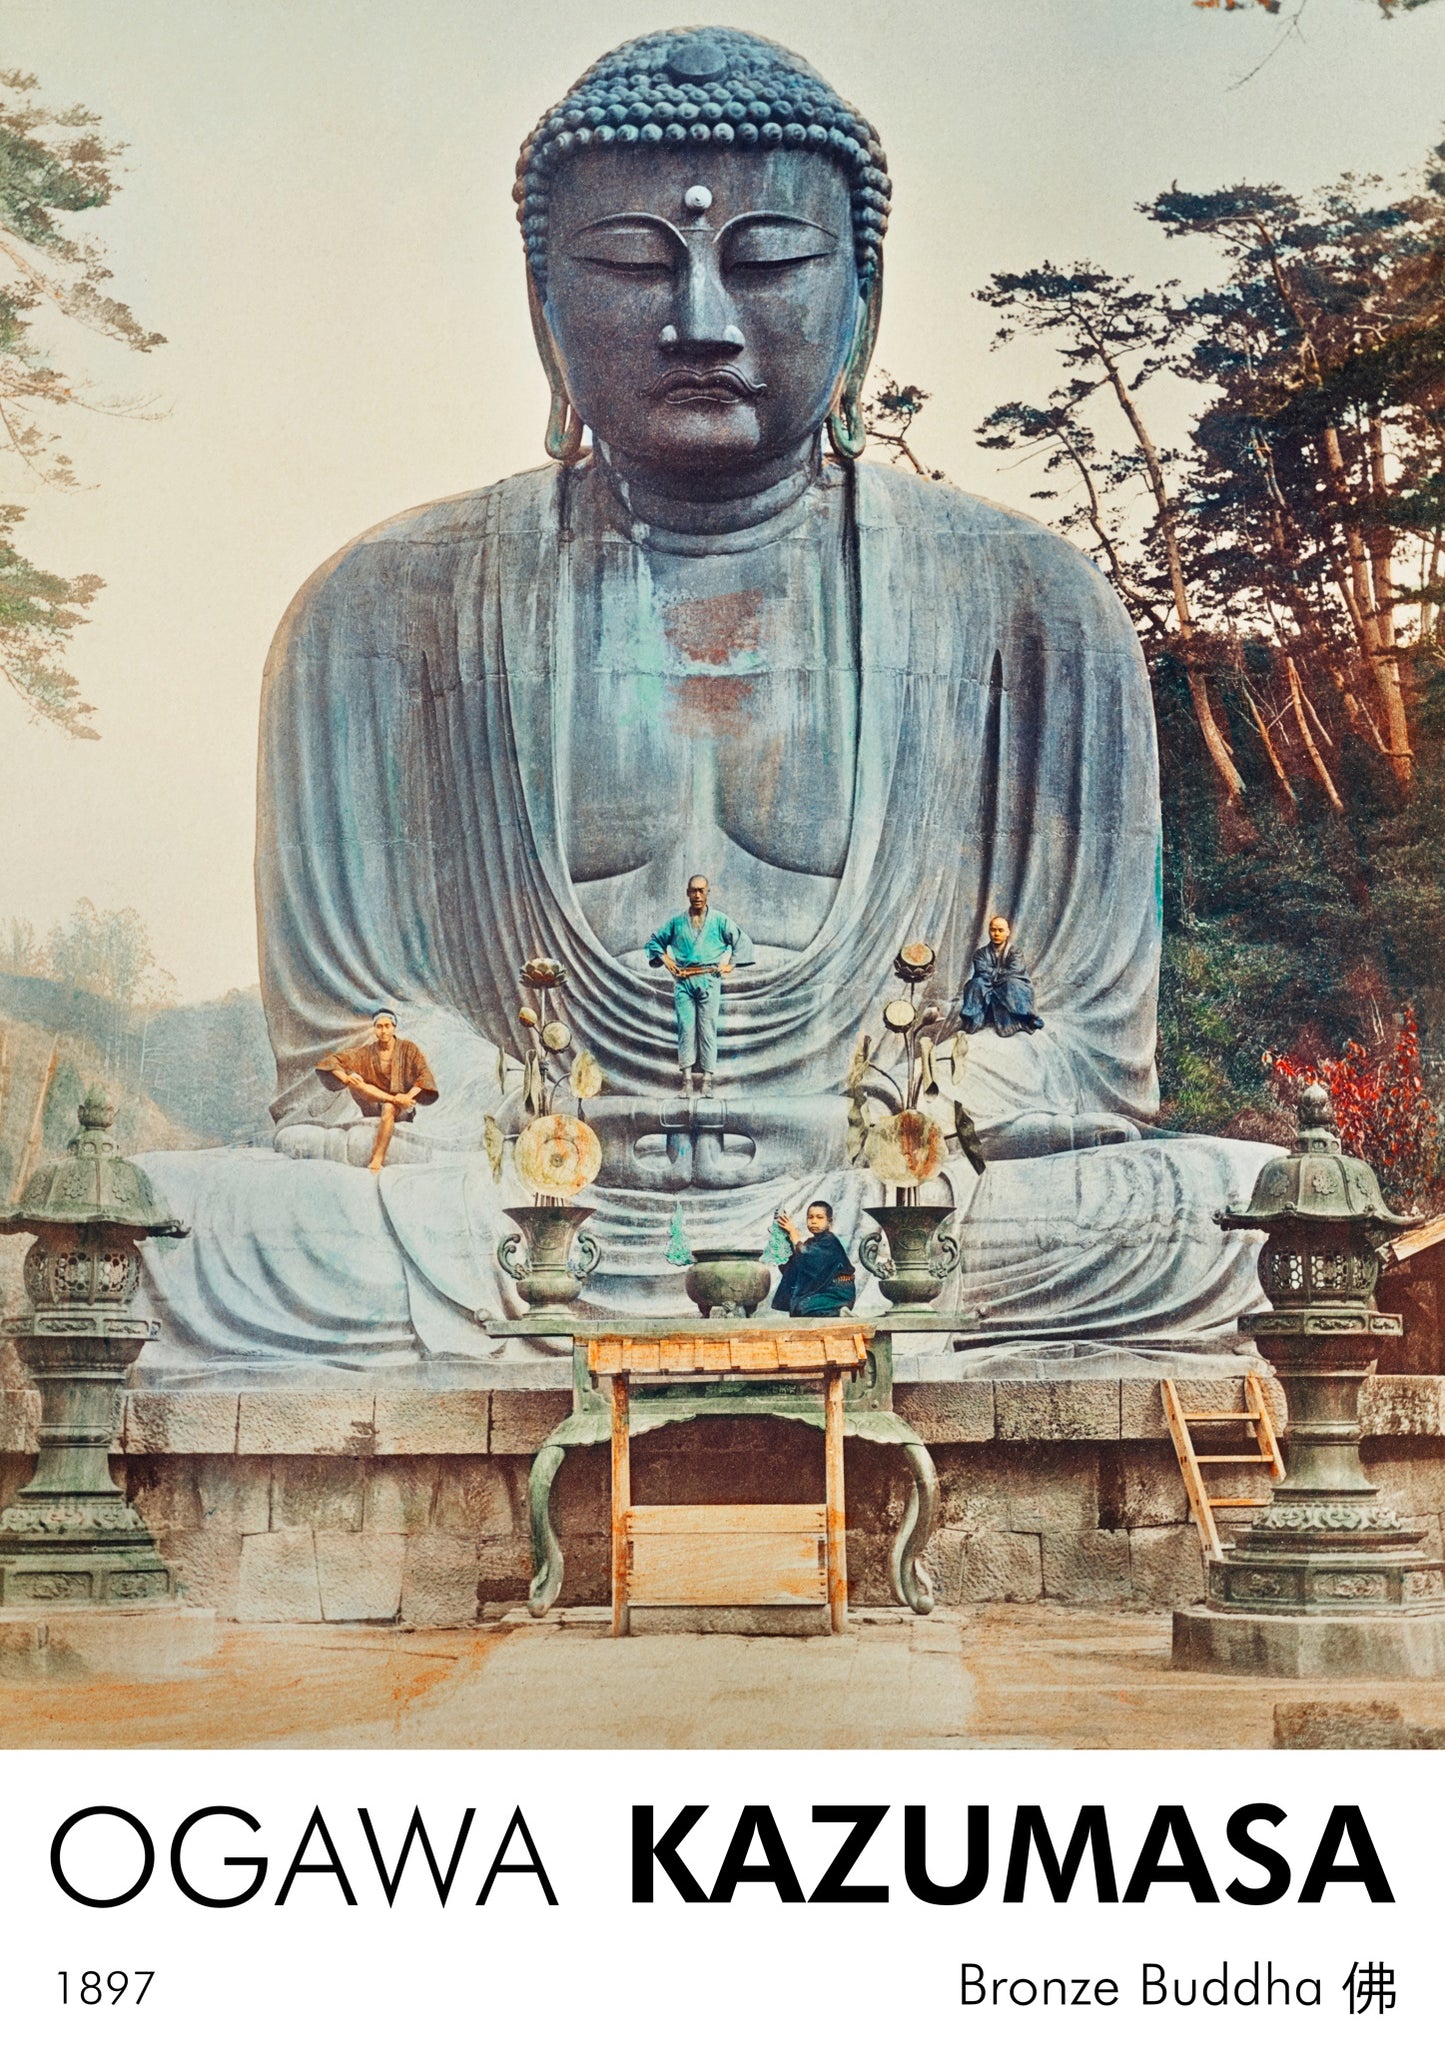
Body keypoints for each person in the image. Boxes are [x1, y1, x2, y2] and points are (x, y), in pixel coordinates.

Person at [133, 27, 1277, 1372]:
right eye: (627, 264)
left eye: (770, 260)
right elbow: (346, 1052)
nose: (700, 323)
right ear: (540, 300)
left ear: (864, 290)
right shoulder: (380, 610)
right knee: (172, 1230)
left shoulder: (1027, 602)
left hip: (891, 1201)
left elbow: (1088, 1052)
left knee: (1237, 1216)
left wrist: (876, 1127)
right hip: (506, 1215)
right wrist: (523, 1142)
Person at [646, 876, 754, 1098]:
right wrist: (668, 962)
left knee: (707, 1029)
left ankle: (707, 1081)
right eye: (693, 891)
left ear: (708, 893)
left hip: (709, 981)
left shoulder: (719, 921)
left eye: (701, 891)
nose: (697, 895)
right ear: (687, 893)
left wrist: (730, 965)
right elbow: (654, 942)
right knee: (686, 1028)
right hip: (683, 981)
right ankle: (686, 1081)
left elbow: (742, 942)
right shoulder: (676, 923)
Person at [316, 1009, 438, 1172]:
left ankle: (377, 1159)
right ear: (374, 1029)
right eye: (379, 1026)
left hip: (401, 1109)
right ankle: (392, 1099)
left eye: (387, 1026)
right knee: (355, 1083)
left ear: (394, 1027)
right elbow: (329, 1061)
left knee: (389, 1107)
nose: (383, 1030)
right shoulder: (366, 1052)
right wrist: (346, 1077)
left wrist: (407, 1097)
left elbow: (424, 1075)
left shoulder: (408, 1048)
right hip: (373, 1104)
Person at [958, 917, 1045, 1039]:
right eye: (993, 930)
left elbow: (1014, 970)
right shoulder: (980, 953)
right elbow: (981, 971)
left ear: (1007, 932)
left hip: (1008, 985)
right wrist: (999, 975)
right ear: (989, 931)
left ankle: (1022, 1020)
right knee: (976, 983)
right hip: (987, 985)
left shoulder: (1015, 952)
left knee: (1011, 983)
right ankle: (974, 1021)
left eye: (1000, 930)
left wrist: (994, 975)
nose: (996, 934)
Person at [772, 1201, 856, 1317]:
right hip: (820, 1290)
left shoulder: (830, 1241)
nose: (814, 1221)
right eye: (810, 1217)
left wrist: (793, 1233)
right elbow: (794, 1266)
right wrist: (784, 1237)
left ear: (829, 1222)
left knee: (802, 1307)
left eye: (820, 1217)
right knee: (796, 1305)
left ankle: (839, 1313)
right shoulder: (810, 1243)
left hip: (837, 1293)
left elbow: (806, 1256)